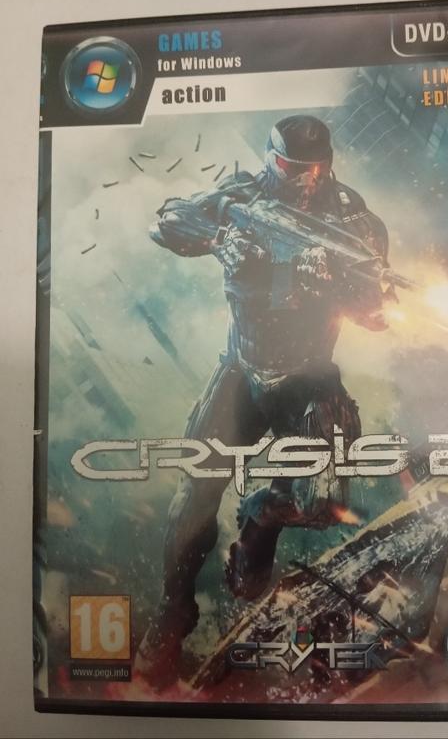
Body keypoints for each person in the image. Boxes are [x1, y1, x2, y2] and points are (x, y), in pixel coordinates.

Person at [136, 114, 395, 685]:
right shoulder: (242, 196)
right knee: (193, 495)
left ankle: (261, 518)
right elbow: (165, 222)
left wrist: (333, 283)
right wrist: (220, 238)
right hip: (241, 370)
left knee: (323, 503)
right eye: (290, 166)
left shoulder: (353, 222)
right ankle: (173, 612)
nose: (304, 179)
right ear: (270, 158)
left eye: (316, 168)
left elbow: (378, 312)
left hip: (309, 377)